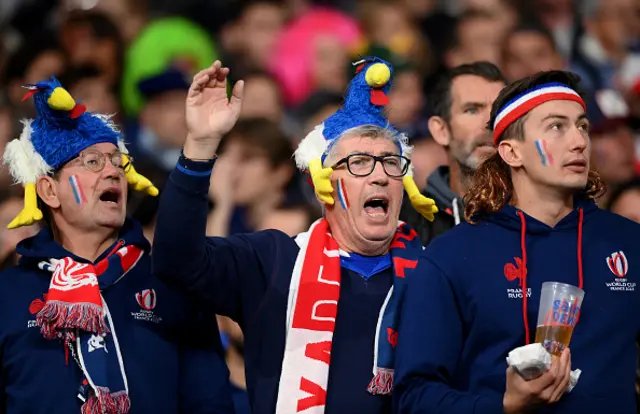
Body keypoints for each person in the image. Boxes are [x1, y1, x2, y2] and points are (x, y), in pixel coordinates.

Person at [152, 58, 438, 414]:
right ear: (323, 188)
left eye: (391, 163)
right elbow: (175, 260)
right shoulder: (273, 261)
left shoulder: (435, 273)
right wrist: (200, 144)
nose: (379, 176)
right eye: (359, 163)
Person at [394, 70, 640, 413]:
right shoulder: (453, 255)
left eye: (582, 126)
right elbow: (414, 396)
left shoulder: (629, 242)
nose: (579, 141)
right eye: (556, 127)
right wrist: (503, 406)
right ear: (511, 153)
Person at [0, 77, 234, 414]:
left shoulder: (170, 282)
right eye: (92, 162)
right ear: (49, 191)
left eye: (117, 162)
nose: (111, 172)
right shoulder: (9, 293)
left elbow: (210, 402)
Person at [400, 61, 506, 245]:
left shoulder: (540, 215)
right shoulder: (406, 226)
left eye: (500, 109)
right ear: (441, 131)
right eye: (472, 109)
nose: (490, 122)